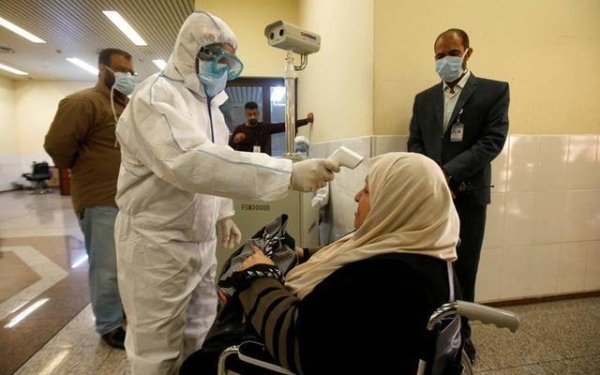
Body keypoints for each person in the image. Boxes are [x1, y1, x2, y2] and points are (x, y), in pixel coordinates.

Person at [114, 11, 340, 375]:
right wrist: (288, 172)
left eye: (227, 60)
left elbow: (218, 164)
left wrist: (223, 214)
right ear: (188, 51)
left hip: (198, 241)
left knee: (199, 330)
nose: (220, 67)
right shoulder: (156, 98)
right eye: (213, 56)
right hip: (155, 242)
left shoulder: (211, 107)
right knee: (156, 346)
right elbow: (189, 161)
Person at [180, 152, 461, 374]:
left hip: (307, 359)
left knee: (201, 362)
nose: (356, 196)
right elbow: (353, 262)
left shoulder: (385, 277)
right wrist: (304, 254)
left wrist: (257, 274)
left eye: (368, 191)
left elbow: (297, 342)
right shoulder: (428, 254)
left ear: (396, 203)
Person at [407, 28, 510, 364]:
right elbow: (415, 143)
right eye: (439, 56)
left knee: (464, 270)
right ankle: (432, 333)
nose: (445, 61)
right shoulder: (424, 99)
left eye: (452, 53)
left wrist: (448, 173)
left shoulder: (494, 92)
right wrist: (432, 178)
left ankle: (462, 339)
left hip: (468, 197)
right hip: (431, 198)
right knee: (431, 268)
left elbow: (491, 142)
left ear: (468, 52)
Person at [44, 48, 136, 349]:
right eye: (120, 70)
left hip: (128, 201)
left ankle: (121, 312)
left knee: (125, 264)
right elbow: (57, 145)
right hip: (100, 199)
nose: (126, 76)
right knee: (106, 265)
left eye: (130, 72)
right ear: (102, 69)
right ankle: (109, 324)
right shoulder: (83, 102)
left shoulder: (126, 105)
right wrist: (83, 167)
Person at [229, 101, 314, 155]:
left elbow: (284, 126)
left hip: (261, 163)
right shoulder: (239, 129)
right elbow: (229, 149)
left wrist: (306, 120)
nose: (252, 117)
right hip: (245, 164)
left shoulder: (264, 127)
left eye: (254, 114)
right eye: (250, 114)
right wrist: (235, 141)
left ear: (258, 113)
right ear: (245, 115)